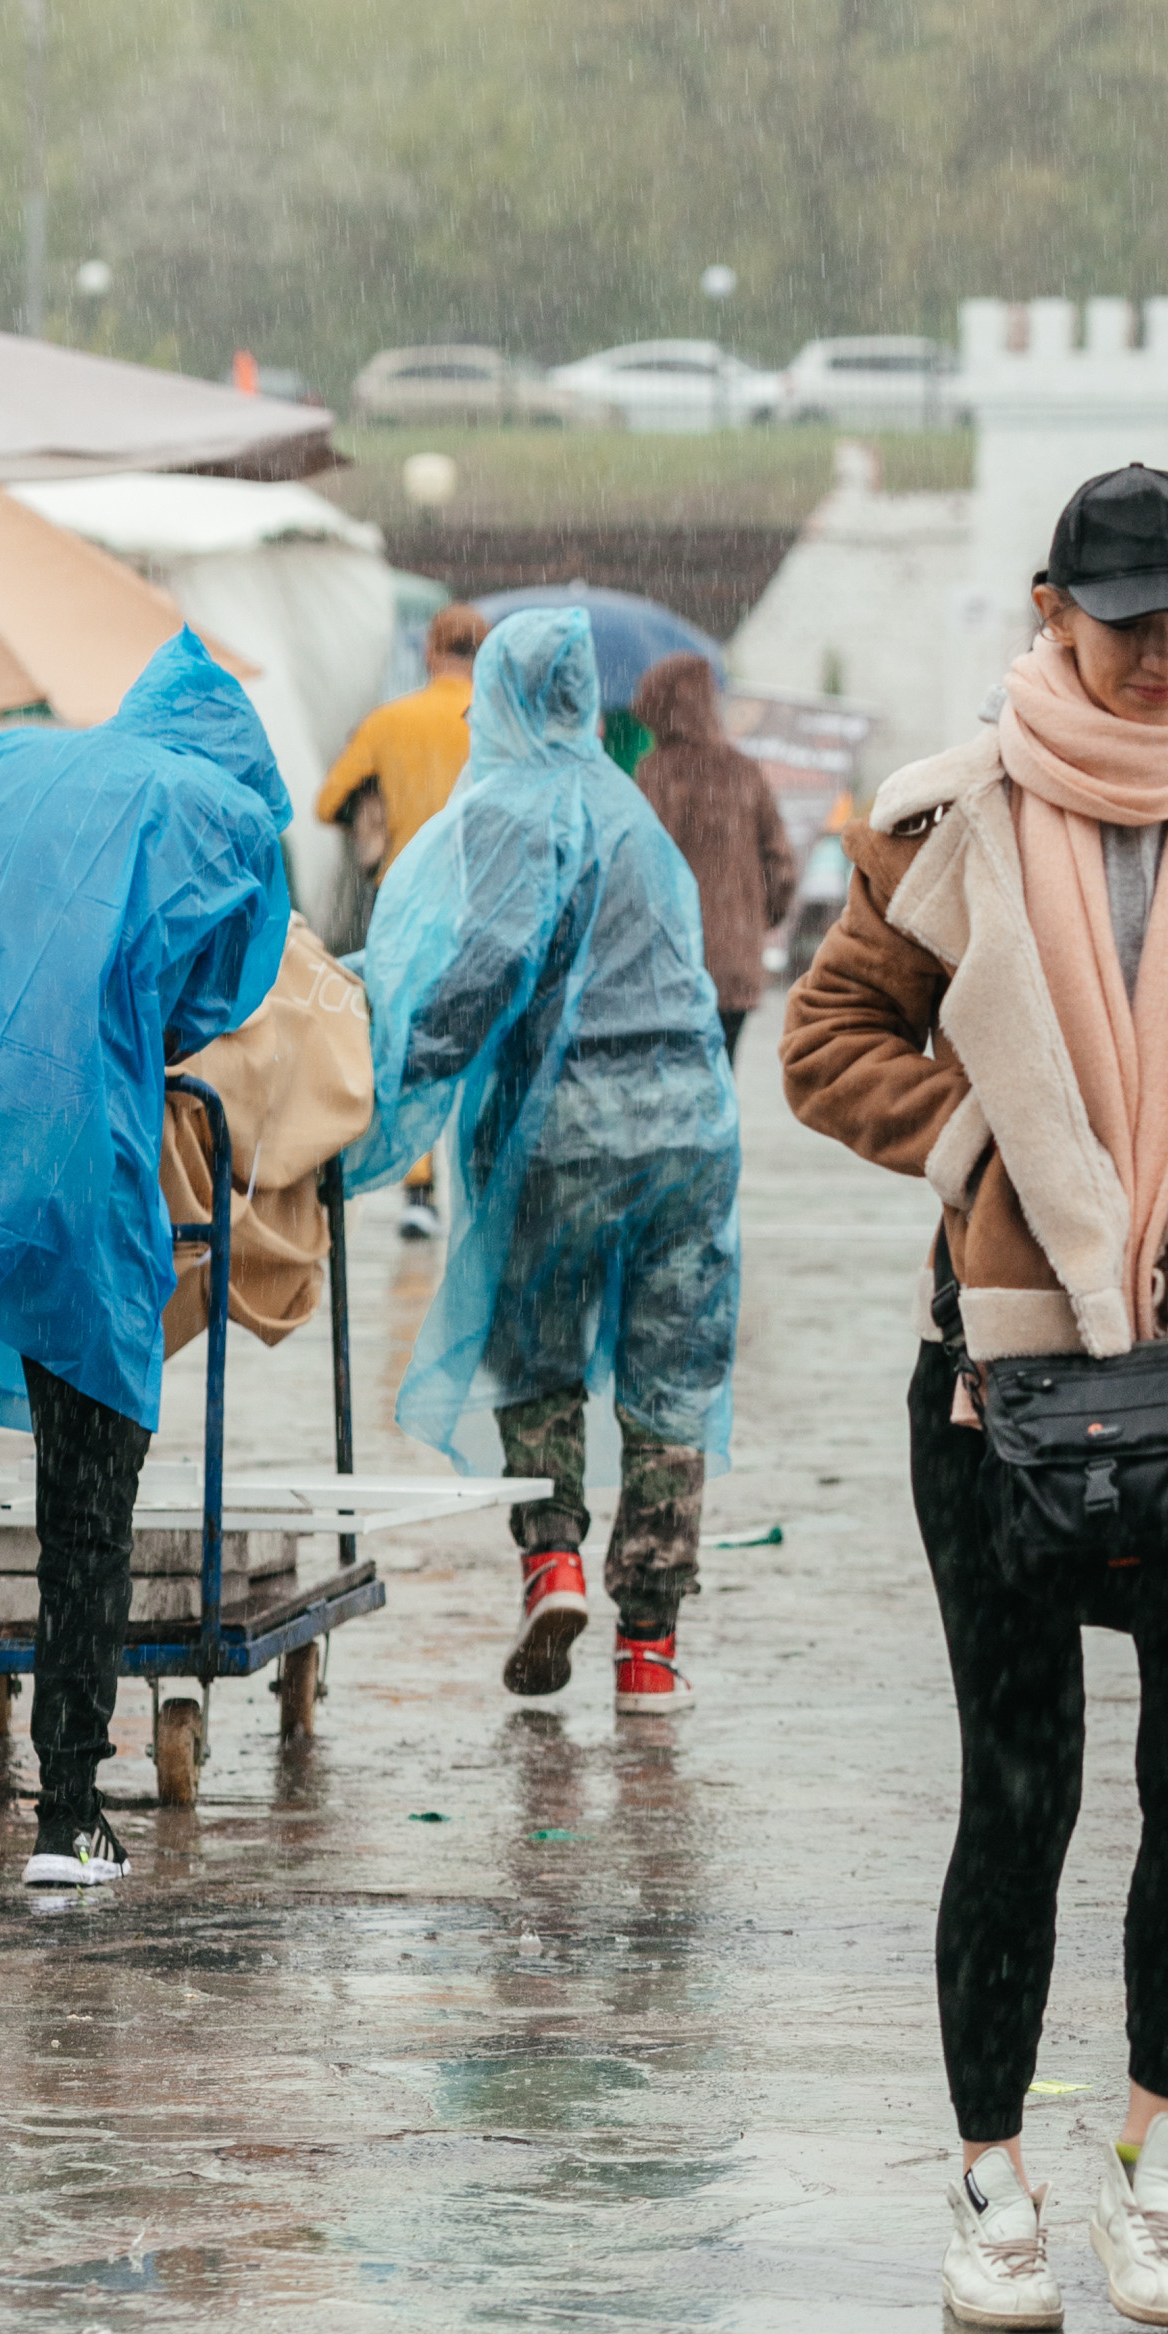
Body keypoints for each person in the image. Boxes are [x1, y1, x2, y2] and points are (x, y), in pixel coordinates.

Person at [782, 463, 1168, 2334]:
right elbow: (824, 1043)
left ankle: (1159, 2163)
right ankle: (986, 2183)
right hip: (1003, 1383)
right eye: (1136, 625)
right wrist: (983, 1143)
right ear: (1054, 613)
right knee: (1018, 1788)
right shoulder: (939, 821)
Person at [344, 610, 741, 1708]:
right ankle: (650, 1648)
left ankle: (554, 1557)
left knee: (535, 1349)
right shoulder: (631, 810)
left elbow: (488, 965)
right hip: (690, 1130)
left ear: (511, 701)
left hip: (564, 1126)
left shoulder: (514, 812)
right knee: (671, 1377)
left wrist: (398, 1064)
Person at [0, 633, 292, 1886]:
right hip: (67, 1147)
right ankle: (67, 1810)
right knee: (86, 1491)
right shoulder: (215, 814)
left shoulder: (7, 756)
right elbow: (206, 1006)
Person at [317, 601, 489, 1238]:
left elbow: (328, 799)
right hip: (483, 901)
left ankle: (420, 1193)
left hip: (408, 904)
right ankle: (484, 1183)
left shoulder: (391, 722)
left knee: (414, 1043)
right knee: (485, 1039)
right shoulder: (495, 721)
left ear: (429, 652)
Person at [632, 653, 797, 1062]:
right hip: (733, 963)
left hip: (671, 960)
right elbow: (780, 866)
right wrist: (755, 918)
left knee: (674, 1087)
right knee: (722, 1076)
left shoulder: (652, 775)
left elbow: (637, 869)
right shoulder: (742, 772)